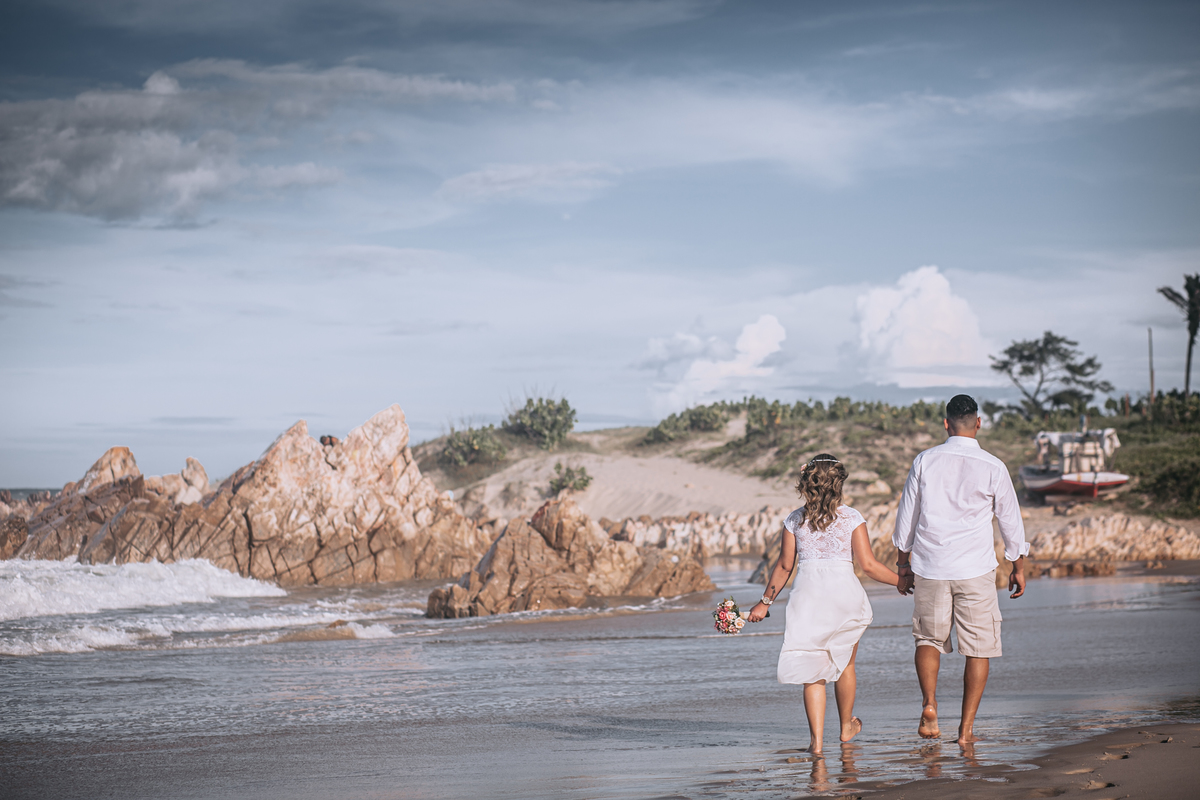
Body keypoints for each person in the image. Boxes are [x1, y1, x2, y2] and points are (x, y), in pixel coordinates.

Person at [892, 394, 1029, 745]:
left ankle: (930, 703)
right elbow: (1010, 521)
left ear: (946, 423)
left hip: (931, 565)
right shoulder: (993, 465)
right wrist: (1018, 566)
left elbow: (907, 518)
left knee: (928, 639)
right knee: (979, 647)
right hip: (975, 569)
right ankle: (966, 731)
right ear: (978, 423)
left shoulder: (925, 460)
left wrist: (903, 565)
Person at [747, 454, 900, 755]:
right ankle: (845, 726)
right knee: (845, 664)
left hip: (809, 597)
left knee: (812, 672)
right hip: (844, 596)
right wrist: (902, 582)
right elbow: (869, 565)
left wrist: (764, 603)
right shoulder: (853, 518)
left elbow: (784, 566)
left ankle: (816, 744)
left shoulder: (795, 520)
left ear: (806, 483)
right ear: (839, 483)